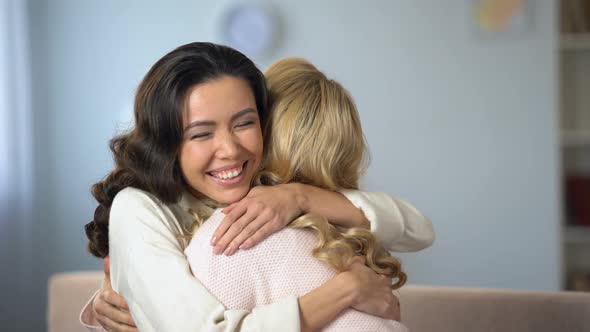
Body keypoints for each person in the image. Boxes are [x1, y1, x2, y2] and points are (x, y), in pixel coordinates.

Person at [81, 42, 434, 332]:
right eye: (201, 133)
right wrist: (346, 290)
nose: (231, 150)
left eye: (244, 123)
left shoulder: (269, 195)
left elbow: (417, 229)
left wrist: (301, 196)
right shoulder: (141, 207)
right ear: (167, 143)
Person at [185, 57, 410, 332]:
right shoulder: (353, 242)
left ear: (264, 132)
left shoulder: (228, 236)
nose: (229, 148)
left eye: (243, 124)